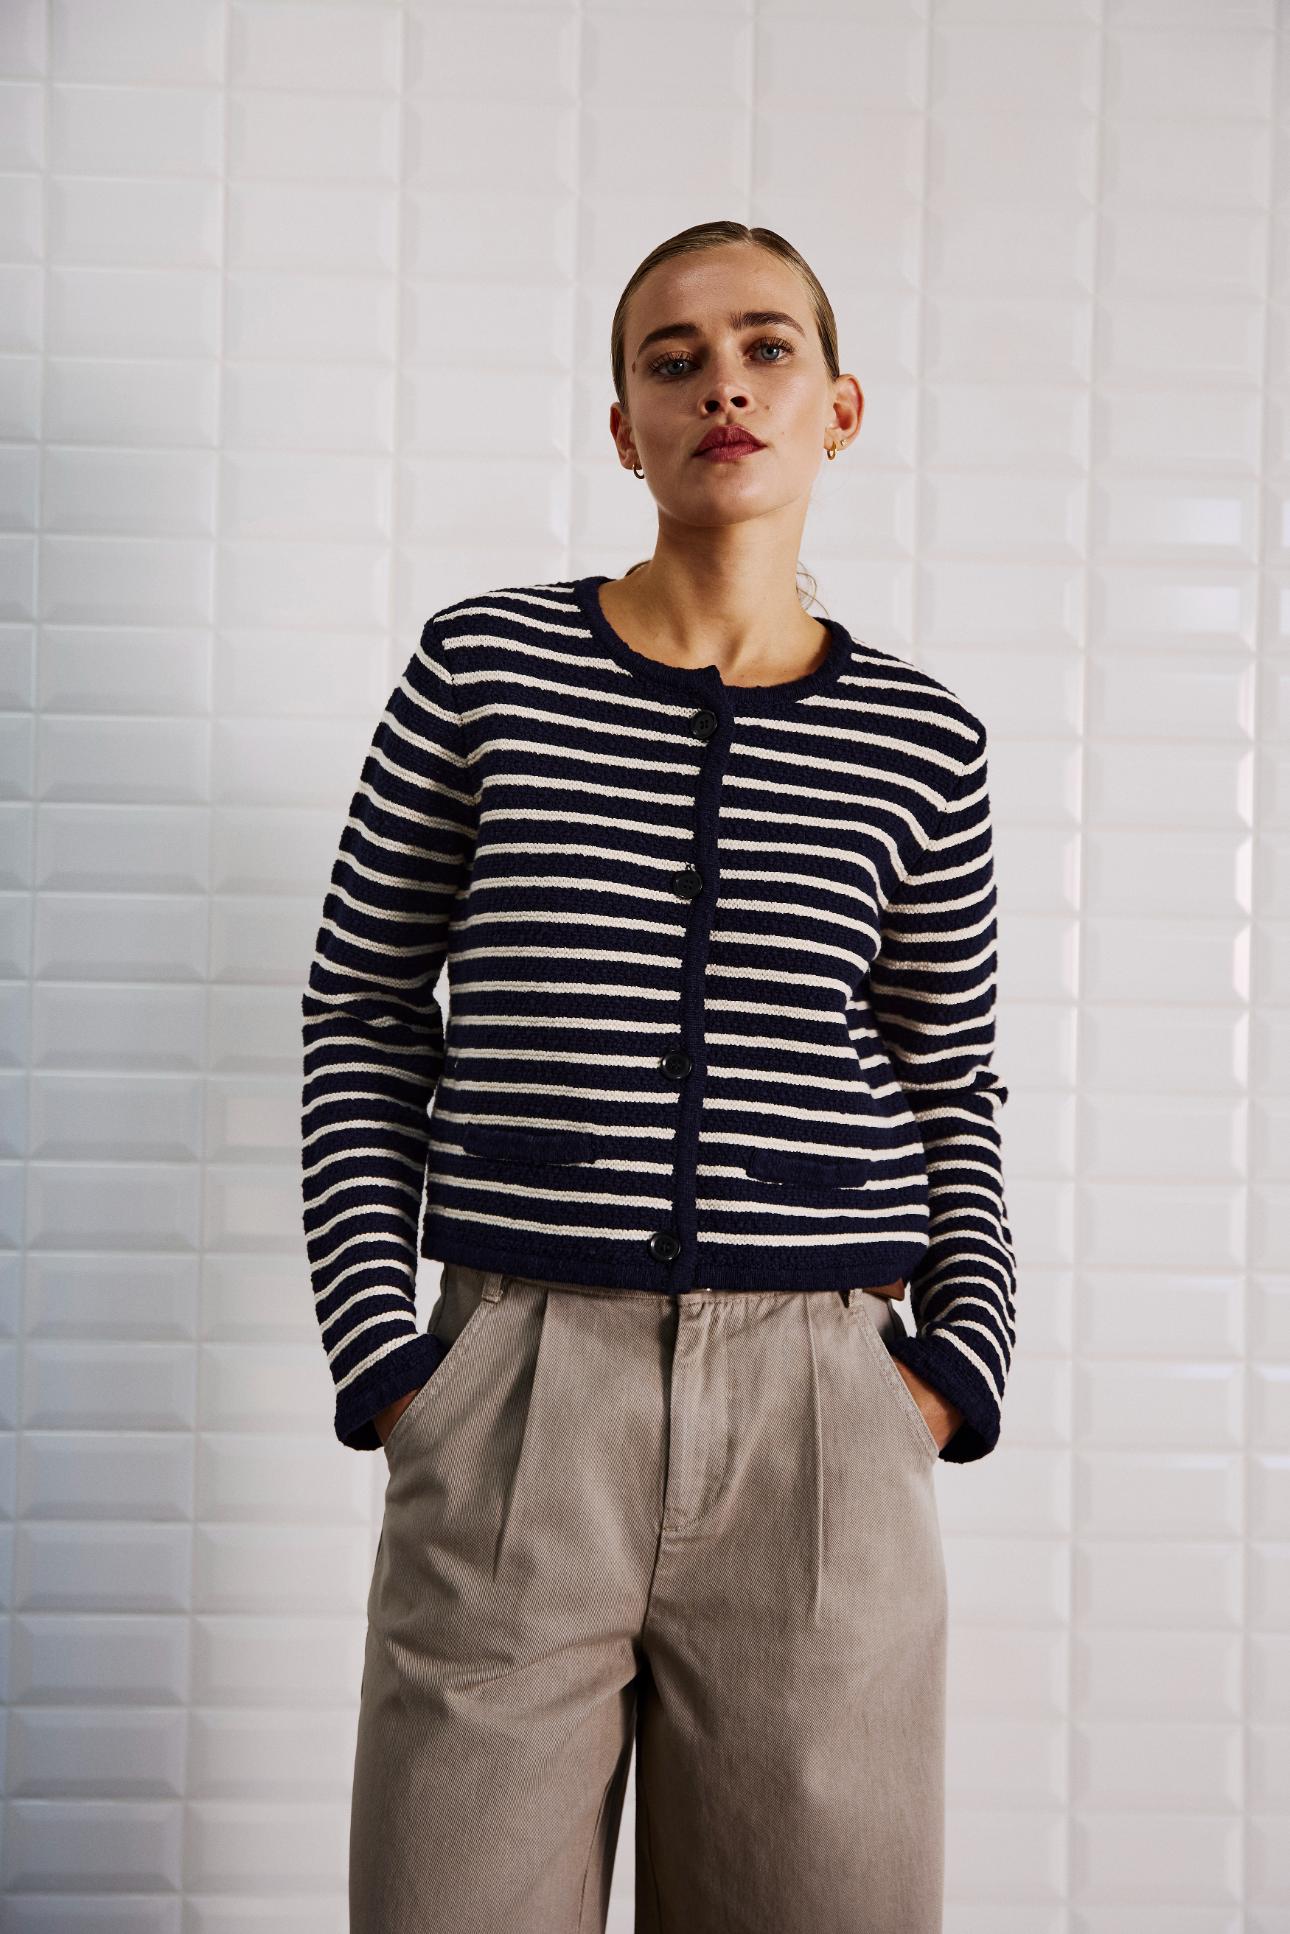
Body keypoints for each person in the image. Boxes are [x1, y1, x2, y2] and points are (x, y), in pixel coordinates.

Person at [300, 218, 1016, 1934]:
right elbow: (363, 1011)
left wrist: (954, 1361)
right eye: (673, 359)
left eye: (766, 349)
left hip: (821, 1417)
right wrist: (391, 1360)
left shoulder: (922, 740)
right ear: (624, 427)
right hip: (519, 1393)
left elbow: (950, 1071)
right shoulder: (483, 671)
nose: (723, 387)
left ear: (838, 407)